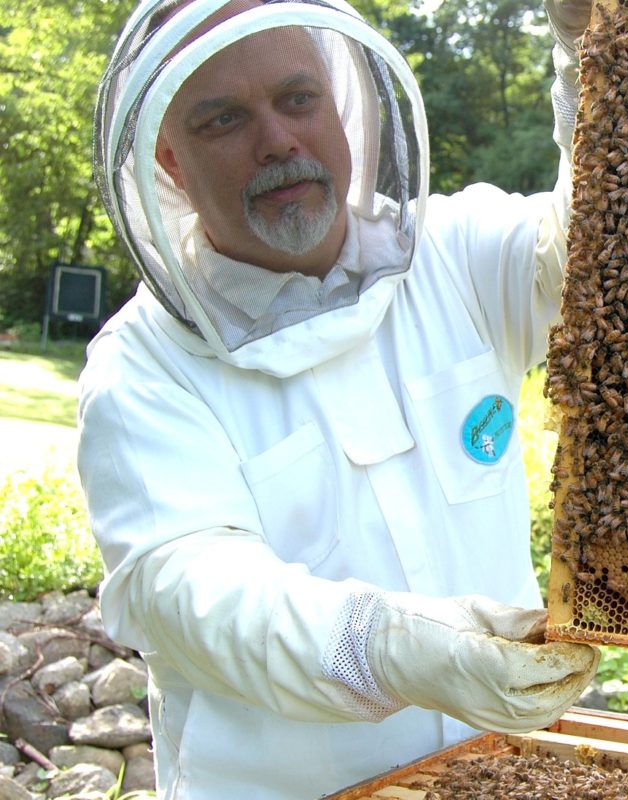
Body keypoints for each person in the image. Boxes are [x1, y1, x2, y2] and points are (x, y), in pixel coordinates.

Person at [79, 0, 599, 795]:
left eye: (298, 99)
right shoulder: (144, 367)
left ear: (343, 104)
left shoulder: (454, 254)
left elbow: (603, 257)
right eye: (223, 119)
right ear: (169, 163)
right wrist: (381, 646)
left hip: (509, 773)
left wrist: (592, 62)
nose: (278, 140)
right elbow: (187, 591)